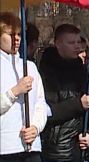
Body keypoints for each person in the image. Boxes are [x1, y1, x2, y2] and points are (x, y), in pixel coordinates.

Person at [38, 24, 89, 162]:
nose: (77, 46)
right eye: (71, 42)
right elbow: (47, 112)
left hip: (80, 144)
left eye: (78, 42)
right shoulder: (47, 72)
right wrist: (78, 104)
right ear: (57, 43)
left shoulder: (81, 70)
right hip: (58, 147)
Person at [0, 12, 48, 162]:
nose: (17, 39)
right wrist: (15, 91)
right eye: (10, 34)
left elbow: (40, 104)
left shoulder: (30, 67)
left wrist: (35, 127)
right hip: (5, 148)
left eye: (19, 34)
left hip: (31, 148)